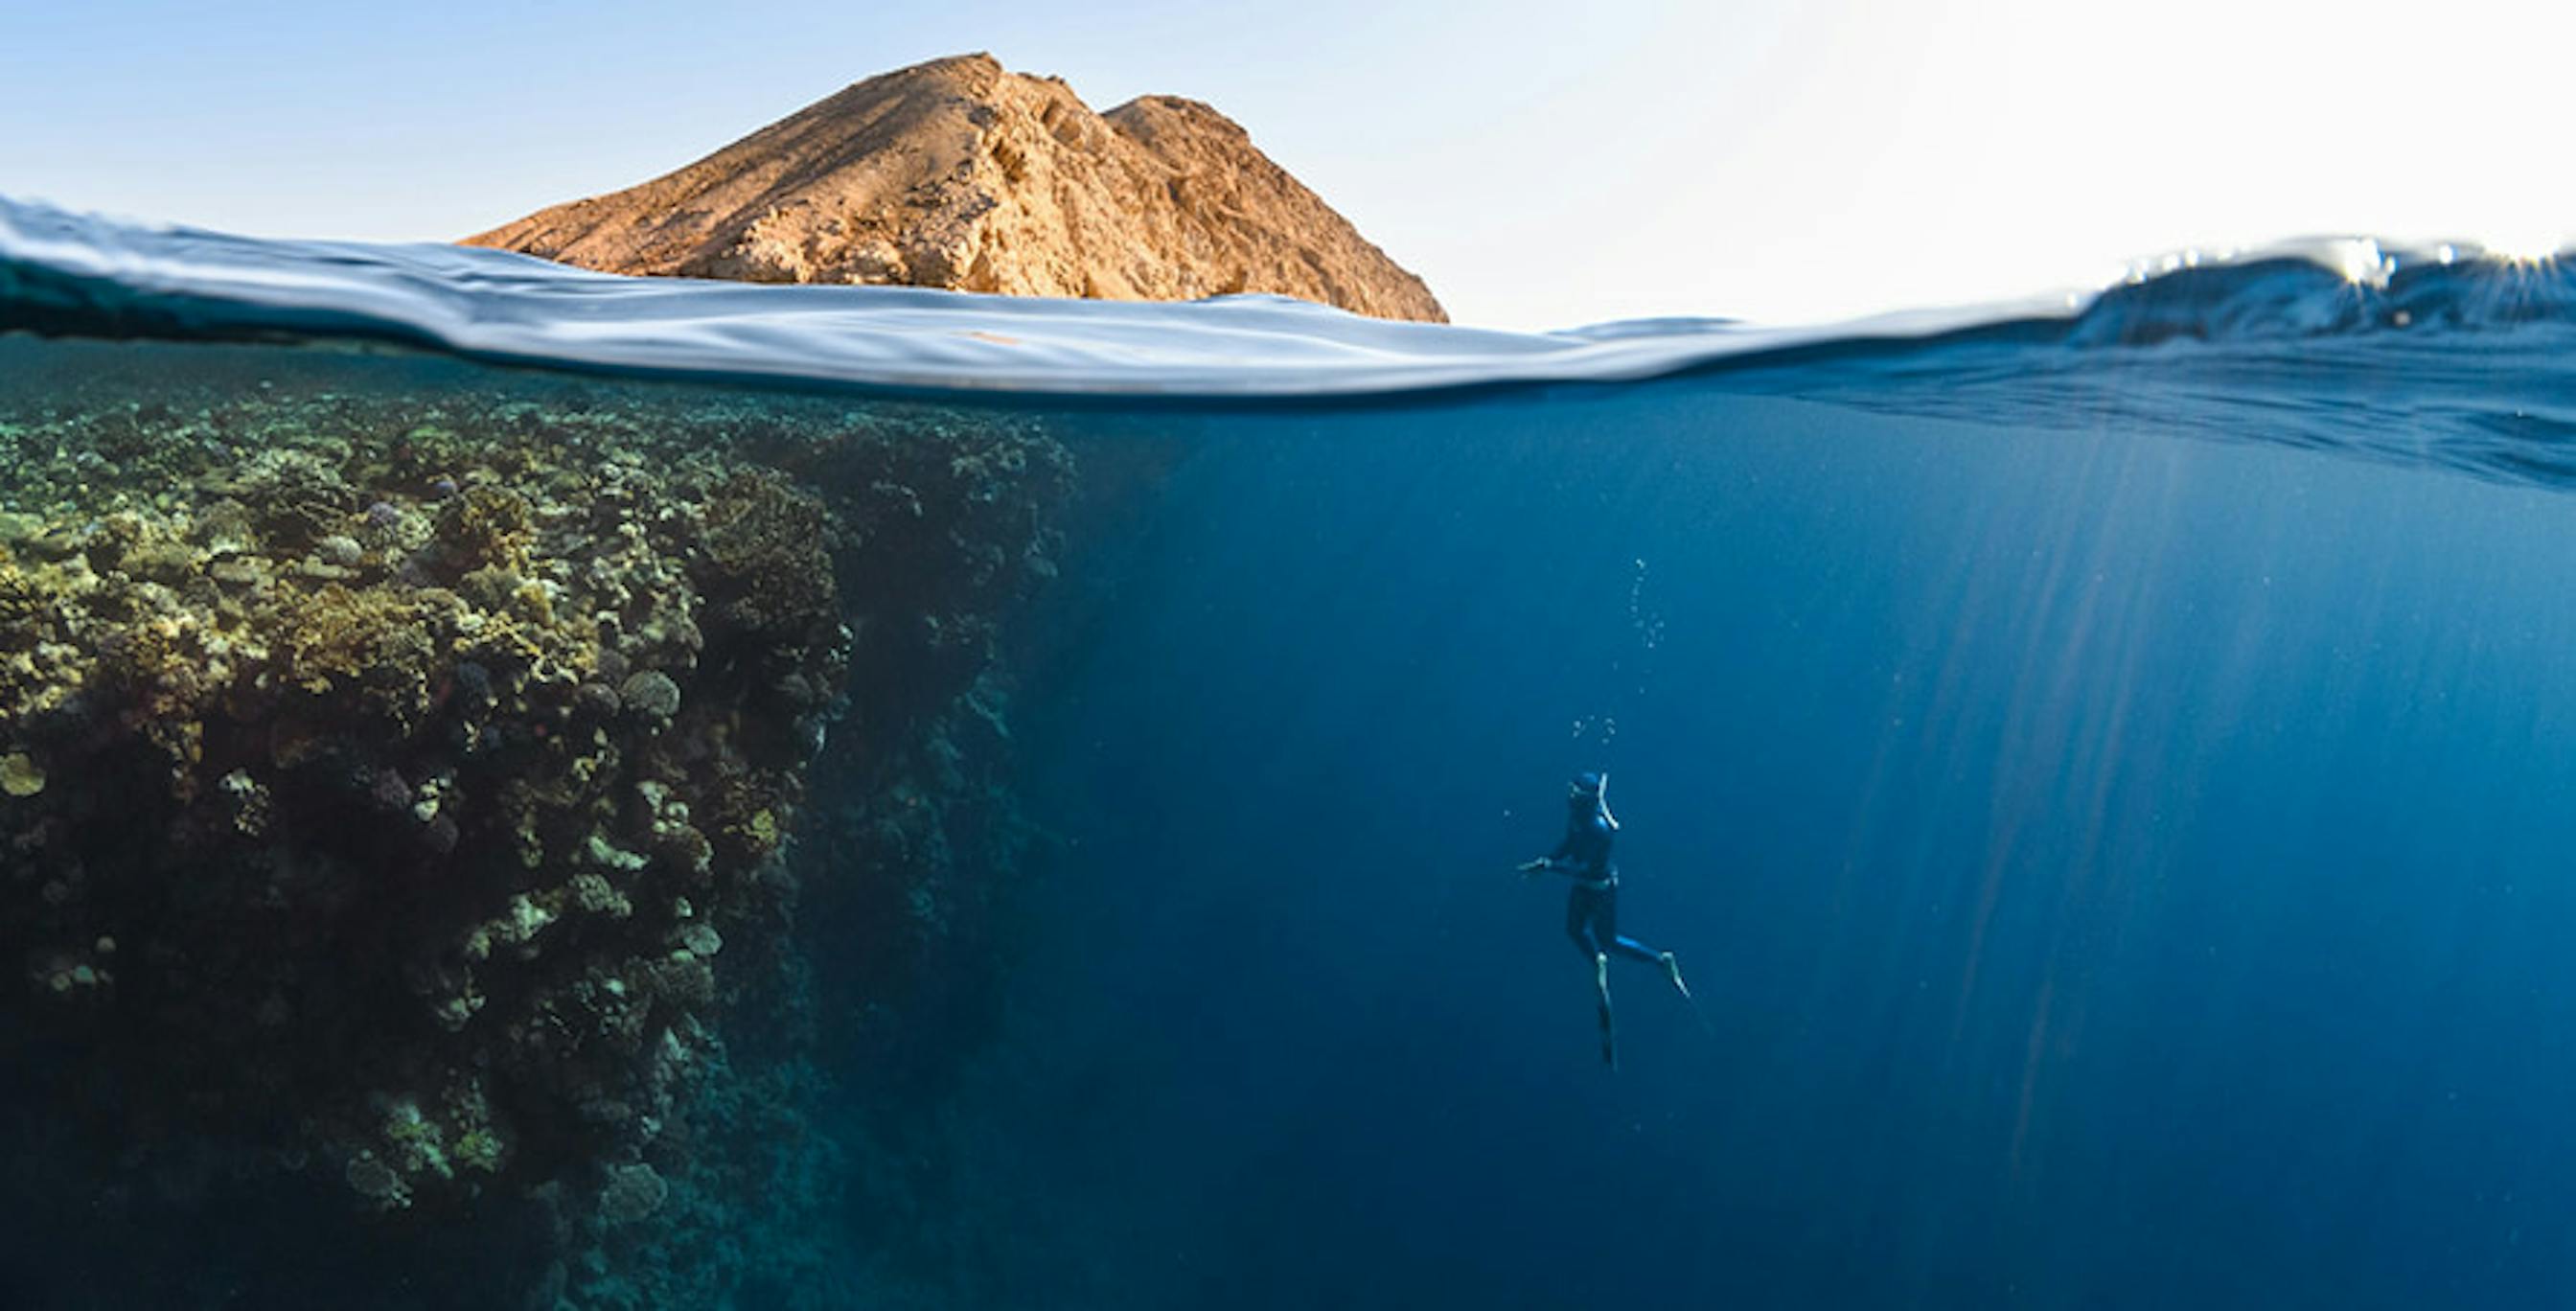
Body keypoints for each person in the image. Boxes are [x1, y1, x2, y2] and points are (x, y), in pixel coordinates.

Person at [1518, 770, 1689, 1067]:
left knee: (1603, 939)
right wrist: (1547, 861)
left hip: (1599, 891)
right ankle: (1649, 960)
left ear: (1585, 799)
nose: (1569, 796)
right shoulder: (1578, 818)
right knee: (1577, 932)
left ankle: (1650, 960)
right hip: (1588, 887)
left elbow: (1583, 868)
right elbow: (1568, 844)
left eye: (1574, 793)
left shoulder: (1599, 829)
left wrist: (1550, 867)